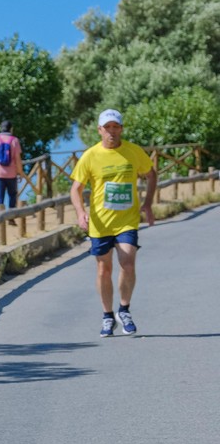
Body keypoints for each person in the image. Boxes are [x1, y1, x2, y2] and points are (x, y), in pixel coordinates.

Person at [70, 109, 157, 338]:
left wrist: (147, 204)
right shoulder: (90, 156)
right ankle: (107, 315)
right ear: (99, 130)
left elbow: (151, 174)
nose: (112, 132)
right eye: (107, 127)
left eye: (115, 127)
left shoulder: (133, 152)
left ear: (121, 129)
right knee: (103, 269)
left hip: (127, 221)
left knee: (127, 262)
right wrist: (80, 213)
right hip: (100, 224)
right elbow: (75, 189)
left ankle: (124, 310)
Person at [0, 120, 27, 213]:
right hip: (11, 173)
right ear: (11, 129)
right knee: (12, 195)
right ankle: (11, 216)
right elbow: (17, 159)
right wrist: (20, 172)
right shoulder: (14, 140)